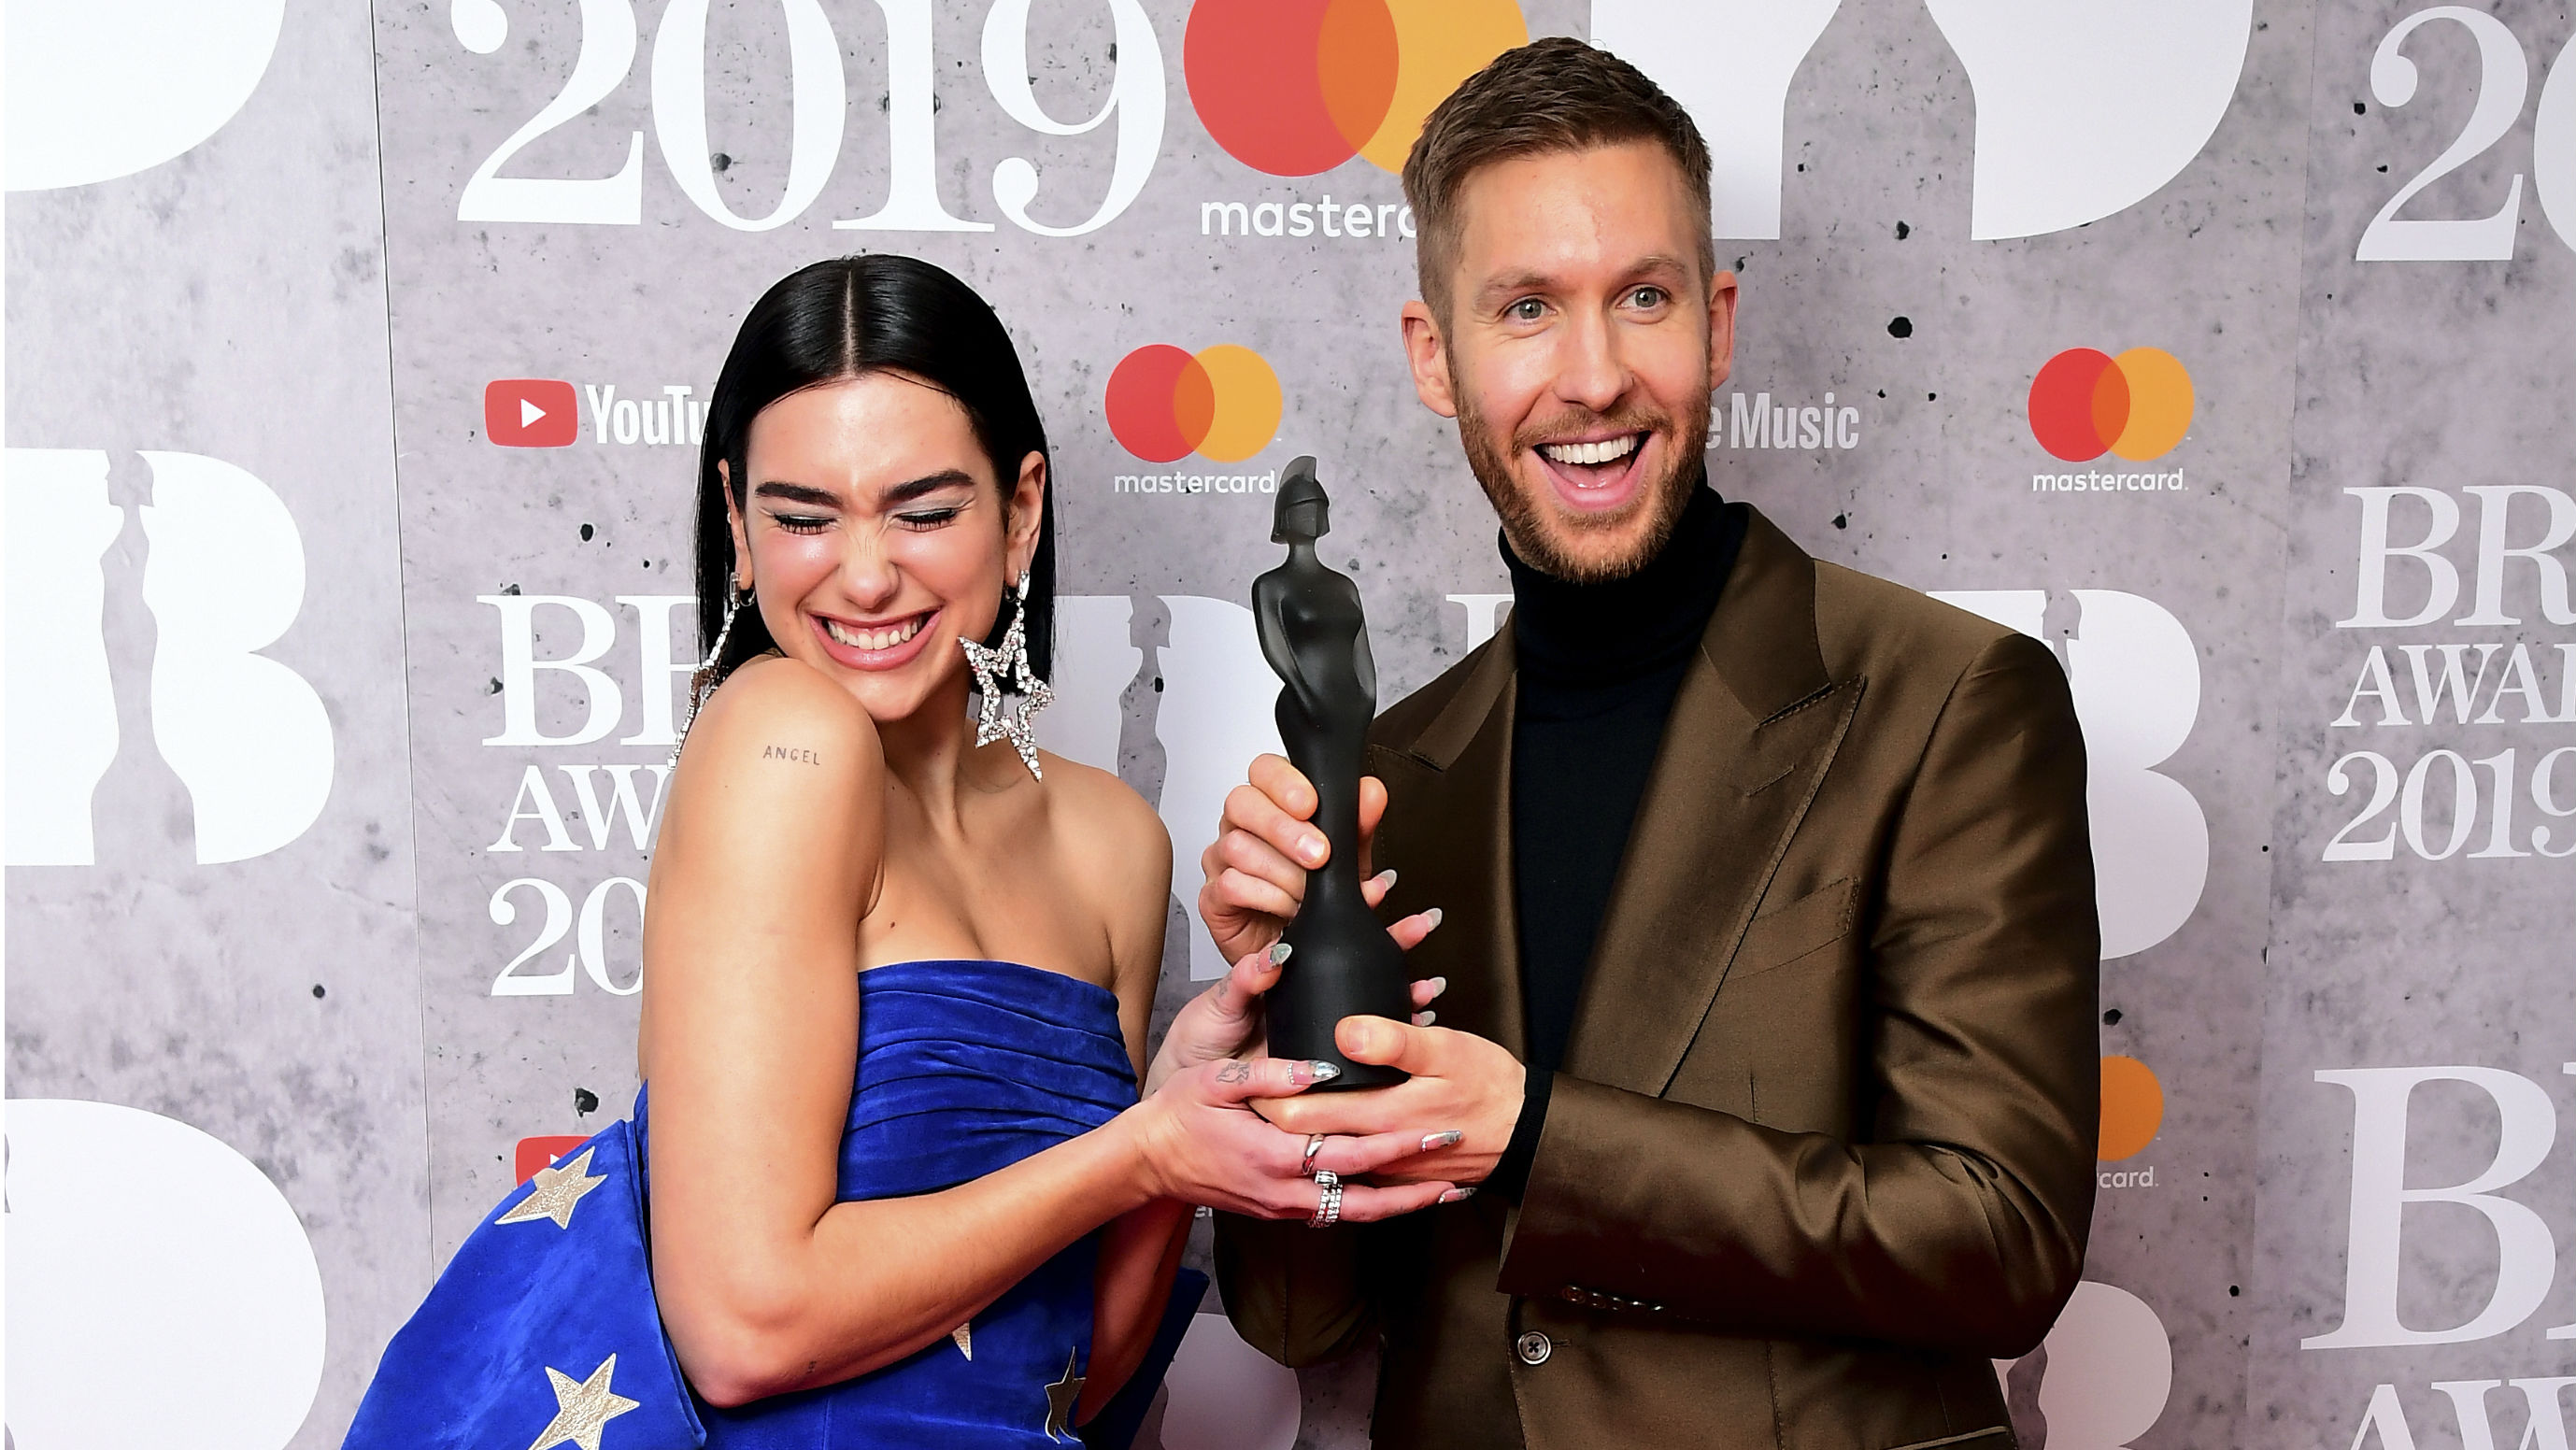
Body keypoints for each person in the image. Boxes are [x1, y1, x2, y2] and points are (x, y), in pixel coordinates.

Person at [345, 255, 1457, 1450]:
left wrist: (1182, 1109)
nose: (866, 573)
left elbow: (1070, 1379)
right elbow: (742, 1330)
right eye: (801, 517)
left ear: (1021, 508)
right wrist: (1135, 1151)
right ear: (737, 520)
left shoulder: (1109, 841)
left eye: (924, 512)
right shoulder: (784, 737)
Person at [1198, 39, 2101, 1450]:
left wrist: (1538, 1139)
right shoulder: (1394, 768)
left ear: (1718, 322)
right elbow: (1303, 1318)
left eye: (1642, 297)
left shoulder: (1949, 701)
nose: (1594, 375)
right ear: (1434, 356)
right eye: (1524, 309)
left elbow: (2001, 1242)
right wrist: (1276, 1014)